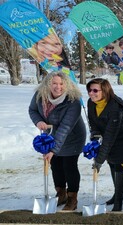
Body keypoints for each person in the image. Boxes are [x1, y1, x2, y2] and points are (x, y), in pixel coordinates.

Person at [28, 71, 86, 211]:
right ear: (48, 84)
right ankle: (61, 193)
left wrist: (53, 149)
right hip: (51, 136)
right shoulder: (40, 96)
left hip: (72, 138)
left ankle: (72, 198)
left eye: (61, 83)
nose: (58, 87)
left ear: (67, 85)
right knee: (55, 166)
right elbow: (32, 110)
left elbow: (65, 127)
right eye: (54, 83)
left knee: (69, 166)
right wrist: (39, 121)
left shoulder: (73, 101)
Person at [86, 78, 123, 212]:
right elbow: (93, 123)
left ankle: (119, 201)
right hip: (109, 136)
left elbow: (110, 136)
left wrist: (99, 160)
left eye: (95, 90)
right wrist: (95, 135)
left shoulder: (114, 107)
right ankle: (116, 194)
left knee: (119, 166)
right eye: (90, 90)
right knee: (112, 164)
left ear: (105, 91)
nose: (91, 93)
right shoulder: (91, 103)